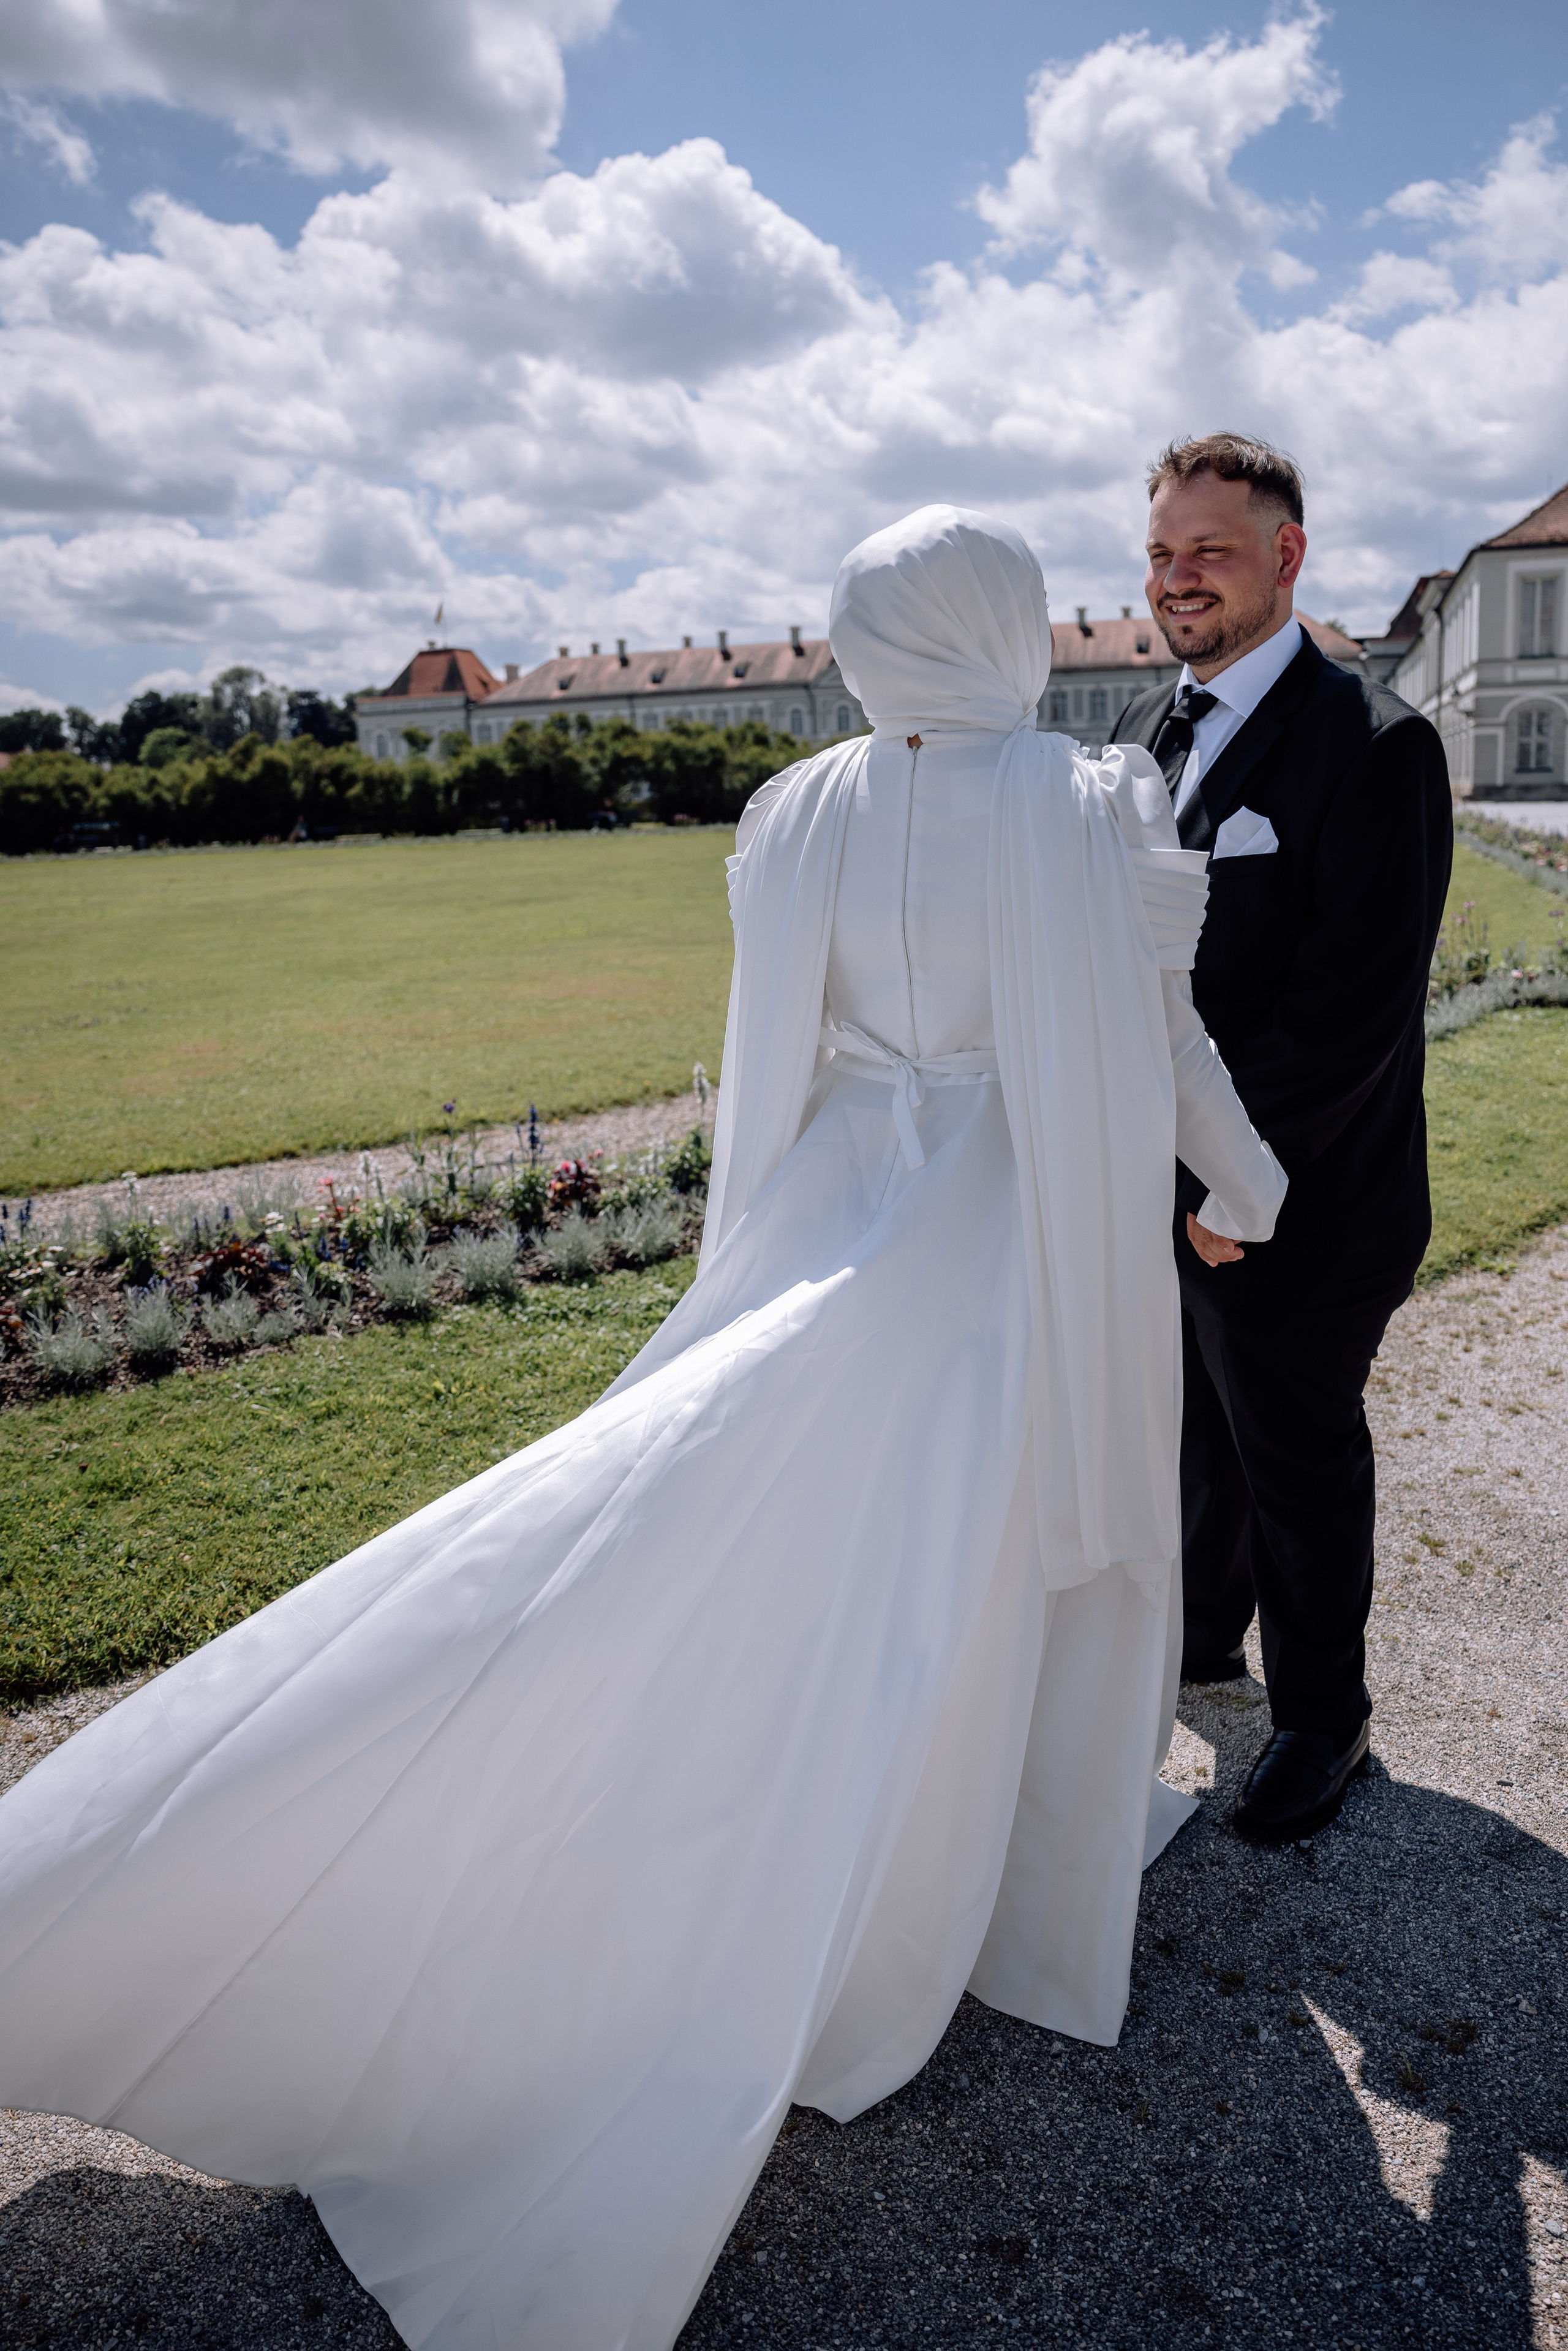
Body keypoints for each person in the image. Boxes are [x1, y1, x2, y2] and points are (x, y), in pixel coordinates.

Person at [0, 507, 1284, 2351]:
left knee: (775, 1549)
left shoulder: (805, 811)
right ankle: (921, 1905)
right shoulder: (1088, 804)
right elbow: (1162, 1044)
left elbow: (795, 1042)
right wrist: (1251, 1176)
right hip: (996, 1238)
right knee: (957, 1567)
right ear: (999, 623)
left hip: (833, 1209)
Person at [1115, 434, 1452, 1845]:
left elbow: (1345, 1015)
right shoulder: (1144, 733)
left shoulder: (1376, 745)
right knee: (1193, 1422)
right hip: (1165, 1173)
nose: (1175, 576)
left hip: (1308, 1192)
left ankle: (1324, 1717)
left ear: (1285, 557)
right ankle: (1200, 1638)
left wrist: (1227, 1185)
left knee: (1295, 1451)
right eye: (1158, 551)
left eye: (1208, 549)